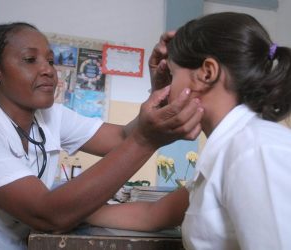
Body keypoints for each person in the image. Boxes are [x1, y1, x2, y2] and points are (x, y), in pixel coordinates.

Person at [0, 22, 204, 250]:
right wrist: (146, 140)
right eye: (30, 60)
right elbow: (48, 214)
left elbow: (123, 138)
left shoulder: (50, 116)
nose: (48, 70)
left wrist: (161, 91)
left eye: (51, 61)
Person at [87, 12, 291, 250]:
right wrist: (73, 212)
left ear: (206, 73)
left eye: (172, 74)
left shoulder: (253, 151)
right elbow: (151, 214)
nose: (166, 86)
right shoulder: (228, 148)